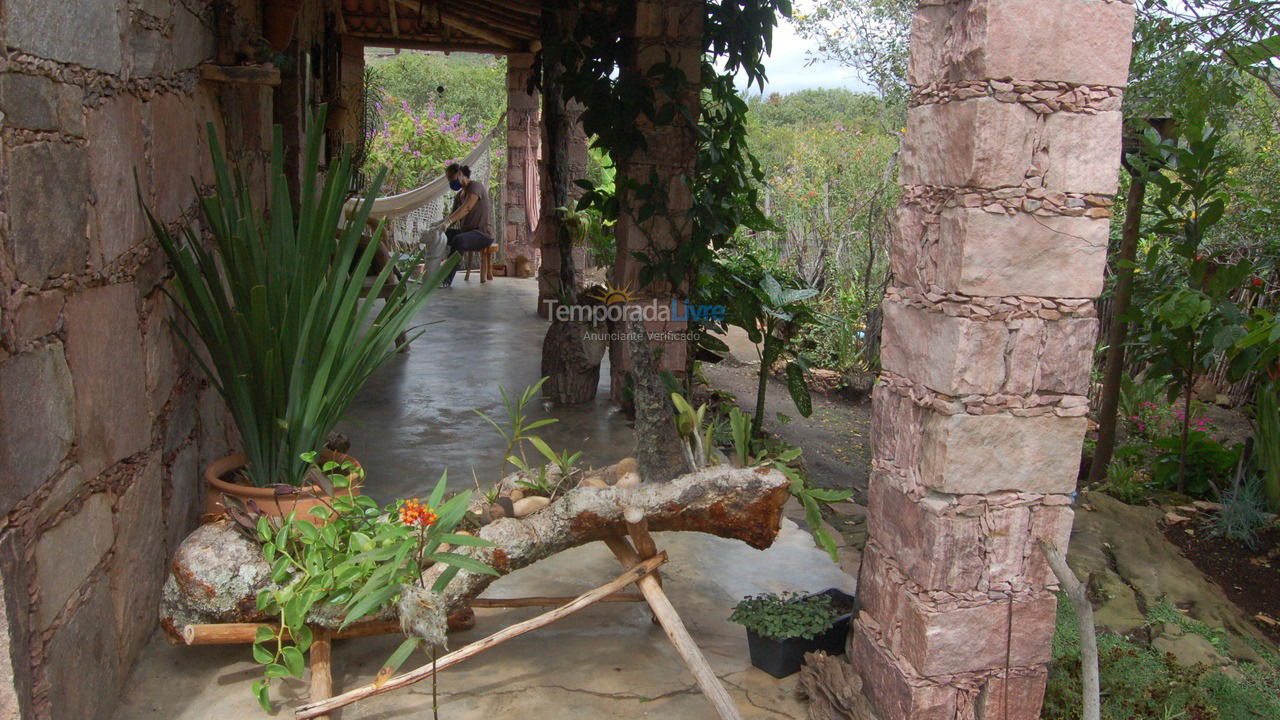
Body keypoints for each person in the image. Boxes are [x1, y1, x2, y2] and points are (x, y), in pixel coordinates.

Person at [429, 163, 493, 287]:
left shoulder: (476, 186)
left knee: (460, 240)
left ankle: (446, 279)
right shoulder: (459, 195)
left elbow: (467, 208)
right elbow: (453, 216)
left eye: (451, 178)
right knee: (438, 234)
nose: (450, 182)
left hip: (482, 234)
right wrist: (440, 224)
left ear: (459, 174)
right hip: (467, 233)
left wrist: (447, 222)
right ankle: (432, 271)